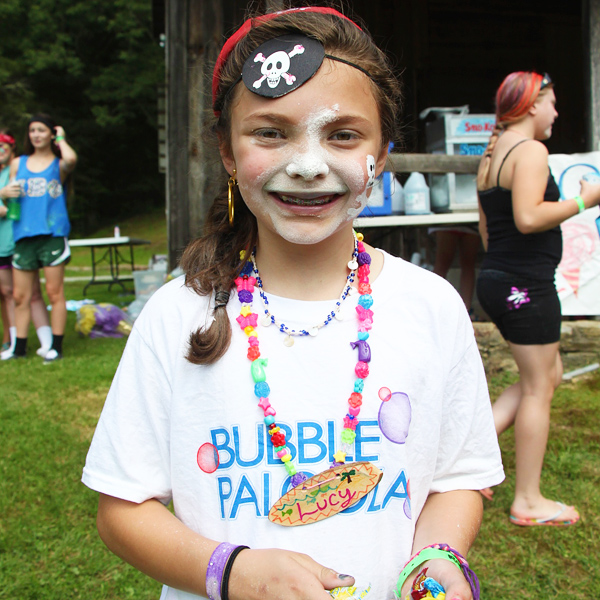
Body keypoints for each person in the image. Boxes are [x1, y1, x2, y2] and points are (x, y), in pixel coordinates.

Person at [82, 7, 503, 600]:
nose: (308, 166)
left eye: (343, 134)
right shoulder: (179, 315)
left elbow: (458, 478)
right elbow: (121, 510)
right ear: (227, 153)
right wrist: (231, 571)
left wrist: (438, 556)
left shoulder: (431, 306)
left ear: (381, 156)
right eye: (271, 133)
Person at [475, 71, 600, 525]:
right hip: (524, 284)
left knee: (546, 377)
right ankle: (527, 499)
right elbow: (528, 218)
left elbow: (490, 229)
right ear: (532, 105)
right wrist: (586, 200)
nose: (556, 112)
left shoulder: (492, 153)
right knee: (537, 386)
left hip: (501, 279)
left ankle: (471, 462)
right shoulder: (530, 151)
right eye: (552, 102)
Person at [8, 114, 77, 363]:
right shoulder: (18, 163)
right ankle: (19, 348)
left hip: (52, 234)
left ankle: (56, 347)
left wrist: (61, 138)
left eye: (41, 130)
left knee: (54, 292)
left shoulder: (59, 165)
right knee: (20, 296)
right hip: (23, 234)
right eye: (32, 131)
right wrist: (4, 192)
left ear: (50, 134)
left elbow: (71, 158)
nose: (36, 135)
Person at [0, 128, 53, 360]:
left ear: (11, 148)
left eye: (3, 146)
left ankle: (42, 343)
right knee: (7, 293)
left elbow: (10, 207)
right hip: (5, 243)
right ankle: (11, 340)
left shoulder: (18, 169)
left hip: (18, 241)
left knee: (25, 293)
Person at [430, 226, 480, 314]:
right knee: (444, 265)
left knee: (443, 266)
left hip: (456, 223)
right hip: (453, 223)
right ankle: (435, 309)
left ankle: (464, 312)